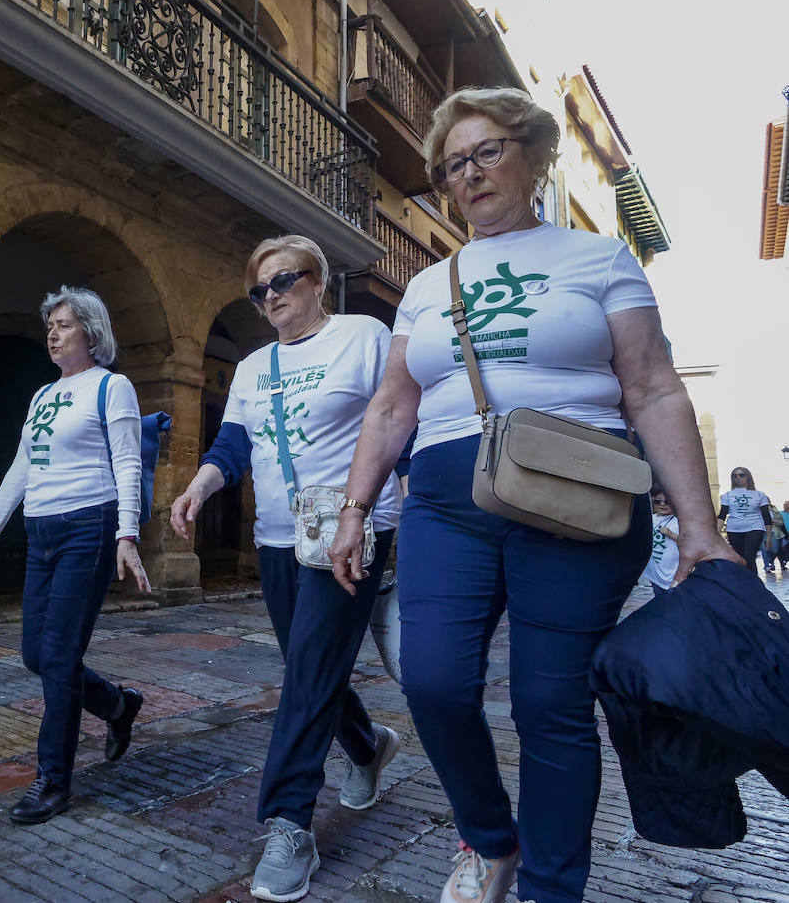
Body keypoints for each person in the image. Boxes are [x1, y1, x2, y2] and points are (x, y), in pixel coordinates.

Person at [325, 87, 739, 903]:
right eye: (452, 166)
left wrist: (700, 528)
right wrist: (352, 510)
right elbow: (394, 404)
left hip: (576, 504)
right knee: (433, 680)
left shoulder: (600, 260)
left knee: (550, 706)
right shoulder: (430, 281)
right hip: (446, 503)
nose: (469, 175)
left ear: (533, 156)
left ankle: (554, 888)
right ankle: (488, 837)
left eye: (487, 152)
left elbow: (653, 389)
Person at [170, 234, 403, 903]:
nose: (270, 296)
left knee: (306, 671)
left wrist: (405, 507)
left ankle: (288, 821)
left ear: (317, 280)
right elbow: (232, 444)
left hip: (349, 528)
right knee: (309, 664)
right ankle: (365, 744)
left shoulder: (362, 337)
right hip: (278, 537)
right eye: (258, 289)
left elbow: (397, 421)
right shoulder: (251, 366)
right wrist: (199, 486)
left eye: (284, 281)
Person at [0, 286, 150, 825]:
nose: (52, 332)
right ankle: (118, 705)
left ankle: (53, 780)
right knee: (36, 655)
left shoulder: (112, 388)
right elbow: (24, 465)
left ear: (90, 332)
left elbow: (127, 464)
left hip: (87, 527)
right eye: (50, 324)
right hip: (41, 531)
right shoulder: (43, 396)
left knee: (60, 659)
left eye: (64, 324)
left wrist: (126, 535)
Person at [718, 467, 772, 574]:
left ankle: (752, 583)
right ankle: (749, 582)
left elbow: (766, 516)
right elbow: (722, 515)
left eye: (741, 475)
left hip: (754, 527)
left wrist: (769, 537)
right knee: (740, 557)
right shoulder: (727, 495)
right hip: (734, 529)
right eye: (735, 476)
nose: (738, 477)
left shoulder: (759, 495)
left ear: (748, 477)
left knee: (749, 556)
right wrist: (716, 532)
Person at [643, 486, 680, 599]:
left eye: (667, 502)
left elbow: (689, 542)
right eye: (658, 502)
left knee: (673, 598)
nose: (662, 505)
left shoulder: (679, 521)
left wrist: (671, 534)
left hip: (672, 570)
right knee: (658, 597)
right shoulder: (650, 518)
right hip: (654, 570)